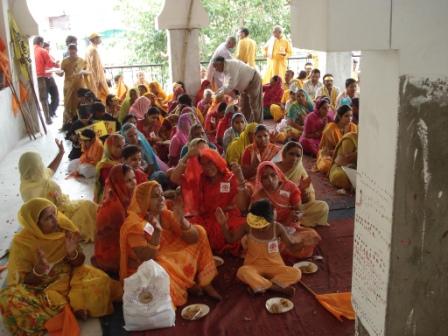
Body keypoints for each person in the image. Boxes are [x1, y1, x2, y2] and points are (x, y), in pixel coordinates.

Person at [0, 198, 121, 335]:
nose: (55, 220)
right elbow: (24, 281)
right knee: (8, 299)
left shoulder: (64, 228)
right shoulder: (23, 243)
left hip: (70, 277)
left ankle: (65, 309)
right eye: (48, 218)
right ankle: (69, 308)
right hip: (40, 287)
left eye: (54, 214)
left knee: (101, 283)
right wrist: (38, 271)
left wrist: (71, 253)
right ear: (35, 224)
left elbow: (80, 262)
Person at [119, 181, 222, 305]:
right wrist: (157, 232)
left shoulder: (164, 214)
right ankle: (187, 284)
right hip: (145, 265)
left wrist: (182, 220)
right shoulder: (134, 225)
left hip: (167, 253)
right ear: (144, 200)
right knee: (163, 267)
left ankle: (205, 282)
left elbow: (194, 238)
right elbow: (146, 258)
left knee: (199, 231)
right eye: (155, 196)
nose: (161, 199)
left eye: (162, 195)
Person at [169, 148, 250, 254]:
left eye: (210, 162)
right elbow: (174, 178)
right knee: (185, 228)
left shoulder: (230, 178)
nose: (207, 167)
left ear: (217, 160)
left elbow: (243, 206)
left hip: (227, 218)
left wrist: (240, 179)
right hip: (208, 219)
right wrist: (187, 156)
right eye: (203, 164)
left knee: (245, 228)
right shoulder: (201, 179)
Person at [216, 199, 300, 296]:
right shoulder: (247, 227)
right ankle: (276, 288)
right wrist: (223, 224)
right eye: (257, 223)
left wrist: (302, 243)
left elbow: (292, 247)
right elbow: (231, 239)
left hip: (275, 266)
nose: (260, 228)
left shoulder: (277, 228)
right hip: (253, 266)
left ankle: (259, 285)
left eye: (263, 225)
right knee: (242, 272)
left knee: (296, 273)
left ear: (271, 220)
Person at [19, 142, 97, 242]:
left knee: (89, 205)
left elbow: (50, 169)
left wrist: (61, 153)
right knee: (86, 214)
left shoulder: (38, 175)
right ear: (34, 168)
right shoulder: (28, 191)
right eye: (40, 164)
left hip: (63, 205)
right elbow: (39, 216)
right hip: (54, 217)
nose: (42, 166)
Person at [251, 162, 321, 258]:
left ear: (278, 173)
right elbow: (257, 222)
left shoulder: (290, 187)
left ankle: (280, 250)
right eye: (265, 177)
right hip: (271, 231)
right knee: (259, 241)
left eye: (273, 175)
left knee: (312, 235)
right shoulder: (258, 196)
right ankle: (287, 248)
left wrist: (297, 216)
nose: (270, 180)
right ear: (260, 180)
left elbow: (299, 211)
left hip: (291, 229)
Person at [275, 141, 329, 227]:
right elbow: (270, 192)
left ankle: (291, 220)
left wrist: (302, 192)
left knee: (323, 206)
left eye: (298, 155)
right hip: (276, 205)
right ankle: (289, 220)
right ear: (284, 154)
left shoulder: (300, 170)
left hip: (294, 207)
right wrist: (294, 191)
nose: (294, 158)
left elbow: (308, 199)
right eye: (291, 154)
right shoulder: (274, 168)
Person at [94, 164, 136, 274]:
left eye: (134, 178)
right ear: (118, 183)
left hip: (116, 244)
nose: (134, 183)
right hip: (110, 256)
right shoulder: (115, 208)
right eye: (128, 181)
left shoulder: (120, 196)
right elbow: (127, 235)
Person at [212, 57, 263, 122]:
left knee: (255, 106)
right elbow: (225, 85)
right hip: (244, 88)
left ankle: (258, 127)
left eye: (216, 67)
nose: (215, 70)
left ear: (220, 64)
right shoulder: (225, 68)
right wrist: (217, 92)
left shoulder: (232, 66)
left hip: (253, 81)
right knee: (244, 107)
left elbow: (231, 86)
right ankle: (246, 126)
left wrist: (219, 94)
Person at [316, 105, 358, 174]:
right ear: (339, 116)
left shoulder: (353, 127)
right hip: (330, 155)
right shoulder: (330, 129)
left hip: (348, 155)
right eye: (346, 116)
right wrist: (339, 154)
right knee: (326, 165)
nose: (349, 118)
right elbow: (326, 151)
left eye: (351, 116)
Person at [60, 44, 89, 128]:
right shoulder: (64, 61)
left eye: (73, 52)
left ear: (76, 51)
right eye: (70, 52)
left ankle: (78, 123)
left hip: (79, 85)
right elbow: (61, 73)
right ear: (68, 51)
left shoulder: (82, 61)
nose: (72, 54)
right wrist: (59, 73)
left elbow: (87, 72)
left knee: (78, 103)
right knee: (67, 104)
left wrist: (83, 72)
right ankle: (67, 124)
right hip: (68, 86)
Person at [33, 36, 59, 124]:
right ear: (41, 43)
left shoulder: (31, 50)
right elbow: (50, 63)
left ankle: (49, 116)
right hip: (43, 77)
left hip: (36, 77)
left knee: (43, 98)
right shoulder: (42, 51)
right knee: (46, 98)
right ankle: (48, 119)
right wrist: (57, 65)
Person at [95, 134, 125, 203]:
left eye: (123, 146)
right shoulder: (105, 166)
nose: (122, 149)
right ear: (109, 148)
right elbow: (113, 186)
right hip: (110, 197)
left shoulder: (124, 159)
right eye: (118, 146)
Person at [85, 33, 109, 103]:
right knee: (100, 96)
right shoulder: (93, 50)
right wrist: (98, 79)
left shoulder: (90, 48)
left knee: (96, 96)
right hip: (96, 78)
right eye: (98, 38)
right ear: (94, 39)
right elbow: (95, 66)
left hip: (92, 76)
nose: (100, 39)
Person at [43, 42, 60, 119]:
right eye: (46, 49)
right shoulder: (40, 56)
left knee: (56, 96)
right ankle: (49, 113)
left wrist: (57, 64)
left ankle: (52, 111)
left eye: (49, 49)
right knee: (45, 98)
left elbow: (56, 64)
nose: (48, 50)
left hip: (51, 78)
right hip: (44, 79)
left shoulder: (50, 56)